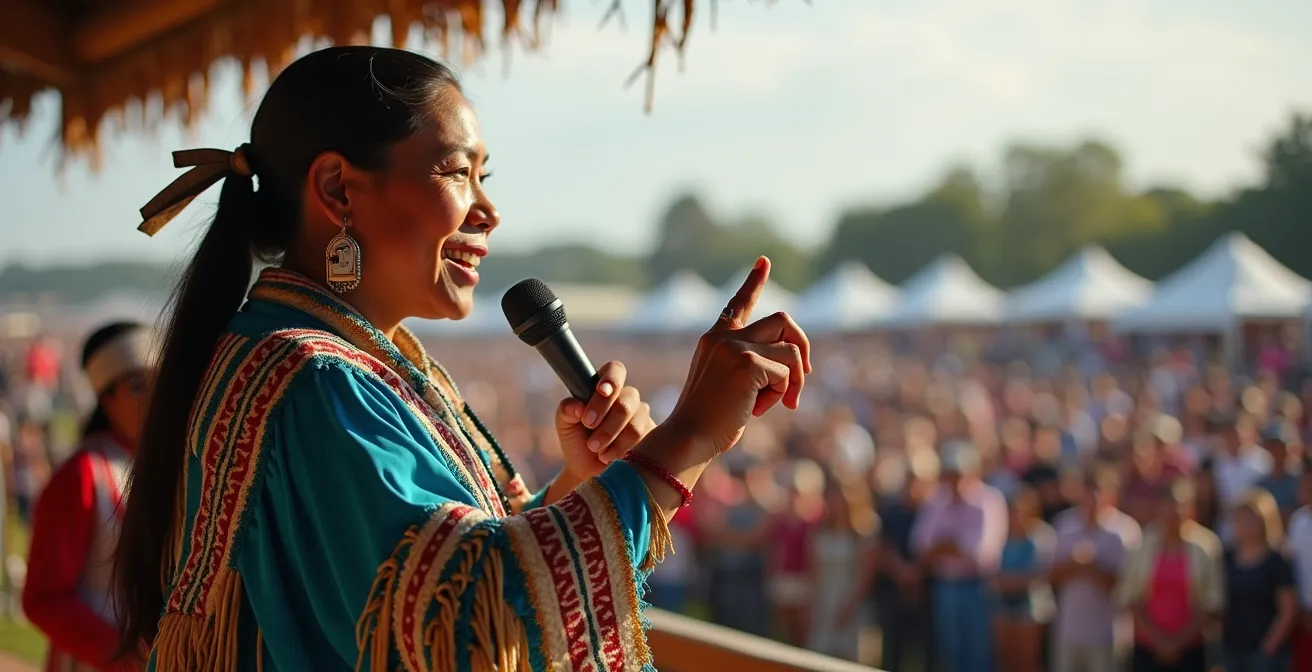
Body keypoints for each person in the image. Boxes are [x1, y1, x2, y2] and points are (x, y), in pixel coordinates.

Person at [112, 46, 811, 672]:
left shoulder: (316, 359)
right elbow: (467, 618)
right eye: (456, 171)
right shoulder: (314, 378)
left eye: (485, 175)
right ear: (336, 190)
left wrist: (578, 481)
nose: (489, 211)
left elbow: (434, 573)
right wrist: (685, 440)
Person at [23, 321, 156, 672]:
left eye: (162, 380)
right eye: (138, 385)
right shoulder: (83, 474)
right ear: (105, 397)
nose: (156, 396)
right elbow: (44, 597)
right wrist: (122, 650)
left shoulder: (168, 466)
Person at [912, 440, 1008, 672]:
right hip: (945, 587)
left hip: (978, 589)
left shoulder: (989, 500)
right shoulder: (938, 500)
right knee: (951, 655)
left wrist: (944, 546)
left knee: (978, 656)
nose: (953, 480)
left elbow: (983, 553)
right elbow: (920, 545)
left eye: (957, 473)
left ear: (973, 471)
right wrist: (953, 545)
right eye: (949, 474)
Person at [1118, 480, 1224, 672]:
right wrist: (1158, 640)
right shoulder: (1141, 545)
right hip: (1147, 648)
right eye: (1166, 504)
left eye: (1178, 505)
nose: (1173, 511)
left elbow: (1211, 600)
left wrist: (1179, 641)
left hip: (1192, 649)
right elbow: (1130, 597)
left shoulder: (1206, 546)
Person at [1221, 489, 1297, 672]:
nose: (1245, 525)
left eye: (1251, 519)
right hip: (1232, 649)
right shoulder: (1227, 559)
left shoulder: (1277, 562)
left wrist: (1270, 645)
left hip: (1265, 654)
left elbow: (1288, 611)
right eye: (1240, 519)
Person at [989, 487, 1054, 672]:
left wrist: (1007, 582)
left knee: (1028, 663)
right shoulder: (1001, 536)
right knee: (1006, 663)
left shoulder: (1041, 536)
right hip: (1003, 608)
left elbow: (1040, 575)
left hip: (1030, 610)